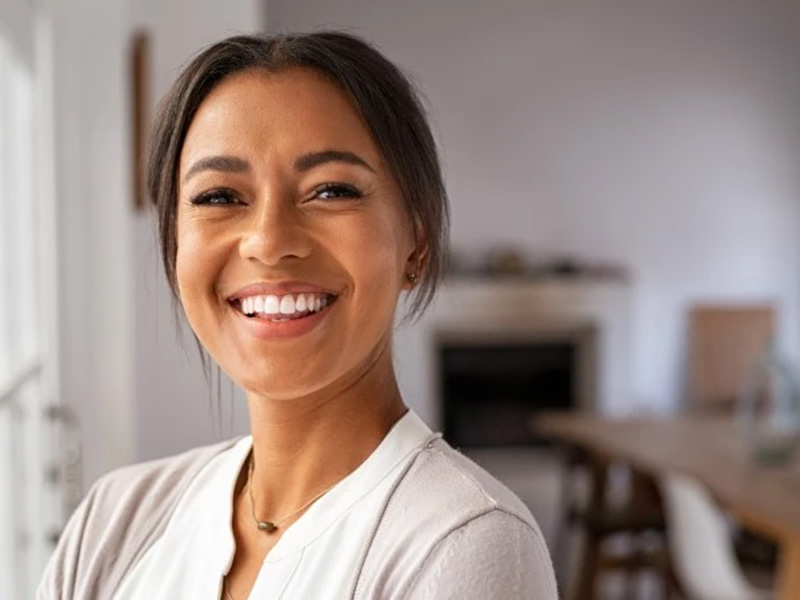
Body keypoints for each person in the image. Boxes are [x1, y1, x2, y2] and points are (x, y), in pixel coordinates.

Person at [38, 31, 557, 599]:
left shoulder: (463, 544)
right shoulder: (112, 525)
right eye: (218, 197)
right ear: (173, 247)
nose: (268, 241)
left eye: (330, 190)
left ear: (416, 243)